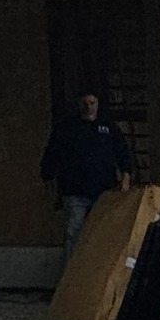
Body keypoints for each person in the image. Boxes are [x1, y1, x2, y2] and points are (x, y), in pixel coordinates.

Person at [41, 92, 135, 263]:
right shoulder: (67, 128)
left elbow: (123, 155)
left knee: (104, 235)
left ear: (97, 104)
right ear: (79, 105)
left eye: (92, 103)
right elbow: (51, 157)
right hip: (75, 191)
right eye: (85, 103)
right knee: (73, 234)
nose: (89, 107)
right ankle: (71, 275)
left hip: (104, 191)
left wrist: (125, 180)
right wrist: (50, 186)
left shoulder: (109, 128)